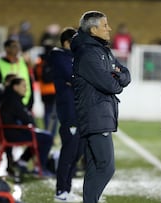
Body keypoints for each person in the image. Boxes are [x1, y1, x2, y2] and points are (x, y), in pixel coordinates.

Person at [70, 11, 131, 203]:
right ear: (93, 29)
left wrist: (117, 75)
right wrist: (116, 77)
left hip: (100, 114)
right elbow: (111, 85)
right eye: (105, 25)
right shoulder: (88, 54)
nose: (109, 28)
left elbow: (126, 74)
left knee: (96, 166)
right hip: (95, 115)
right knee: (106, 166)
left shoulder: (101, 50)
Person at [48, 27, 85, 202]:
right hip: (69, 111)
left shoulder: (73, 58)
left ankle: (67, 189)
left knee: (78, 151)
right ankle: (60, 191)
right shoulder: (58, 56)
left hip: (80, 111)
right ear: (67, 43)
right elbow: (74, 77)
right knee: (69, 151)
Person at [0, 77, 54, 177]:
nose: (26, 89)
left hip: (12, 131)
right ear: (15, 87)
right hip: (13, 133)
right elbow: (27, 118)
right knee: (47, 137)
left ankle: (22, 162)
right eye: (23, 86)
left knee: (39, 136)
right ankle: (40, 168)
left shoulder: (9, 97)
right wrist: (31, 122)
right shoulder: (13, 100)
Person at [0, 39, 34, 111]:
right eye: (14, 46)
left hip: (26, 104)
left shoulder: (23, 62)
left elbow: (30, 82)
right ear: (6, 49)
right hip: (9, 106)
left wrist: (31, 103)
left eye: (18, 46)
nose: (17, 48)